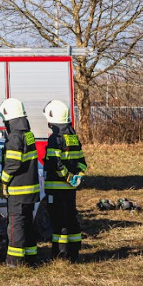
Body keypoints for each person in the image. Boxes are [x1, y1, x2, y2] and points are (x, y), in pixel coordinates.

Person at [43, 100, 87, 262]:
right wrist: (78, 176)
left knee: (58, 222)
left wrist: (68, 178)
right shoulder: (73, 137)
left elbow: (56, 163)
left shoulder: (55, 139)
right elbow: (82, 161)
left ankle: (60, 254)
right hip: (70, 190)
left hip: (56, 188)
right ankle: (74, 252)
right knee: (70, 218)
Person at [0, 98, 40, 267]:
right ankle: (30, 259)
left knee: (15, 227)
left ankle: (14, 262)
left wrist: (3, 182)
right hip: (30, 190)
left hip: (18, 190)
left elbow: (13, 164)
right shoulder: (28, 135)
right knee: (28, 225)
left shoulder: (15, 137)